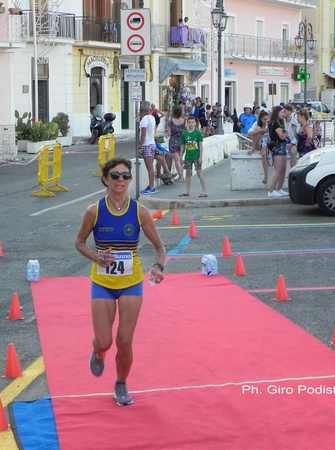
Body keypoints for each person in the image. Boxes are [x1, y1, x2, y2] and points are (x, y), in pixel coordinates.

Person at [75, 157, 166, 406]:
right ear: (105, 179)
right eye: (115, 176)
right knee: (104, 341)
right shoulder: (93, 211)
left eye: (126, 176)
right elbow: (79, 243)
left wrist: (159, 266)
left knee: (124, 340)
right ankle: (97, 351)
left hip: (131, 282)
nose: (121, 180)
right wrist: (96, 256)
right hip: (102, 282)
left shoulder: (140, 212)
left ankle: (121, 383)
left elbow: (159, 247)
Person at [179, 117, 208, 197]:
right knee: (188, 174)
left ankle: (204, 191)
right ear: (187, 123)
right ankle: (187, 191)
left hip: (196, 156)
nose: (191, 124)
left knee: (199, 173)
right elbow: (183, 146)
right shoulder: (184, 133)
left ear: (195, 123)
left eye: (193, 122)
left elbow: (200, 146)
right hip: (188, 157)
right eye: (189, 122)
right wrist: (181, 156)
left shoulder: (198, 133)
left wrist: (200, 157)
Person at [267, 106, 290, 197]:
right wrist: (286, 132)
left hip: (282, 147)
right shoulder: (275, 123)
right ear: (277, 113)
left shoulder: (279, 122)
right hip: (278, 147)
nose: (283, 114)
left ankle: (279, 189)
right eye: (282, 112)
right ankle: (271, 191)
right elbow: (282, 136)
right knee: (278, 170)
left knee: (283, 169)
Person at [248, 111, 270, 185]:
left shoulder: (270, 124)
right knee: (258, 131)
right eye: (264, 119)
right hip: (259, 143)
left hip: (268, 144)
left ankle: (266, 176)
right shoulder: (257, 124)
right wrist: (261, 130)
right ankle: (253, 148)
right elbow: (249, 133)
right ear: (260, 119)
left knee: (263, 154)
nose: (266, 121)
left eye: (267, 119)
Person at [165, 106, 186, 181]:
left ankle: (181, 176)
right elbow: (186, 131)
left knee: (176, 159)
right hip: (182, 141)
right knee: (180, 159)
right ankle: (181, 175)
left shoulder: (171, 121)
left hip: (173, 141)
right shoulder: (184, 121)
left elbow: (169, 133)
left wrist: (166, 134)